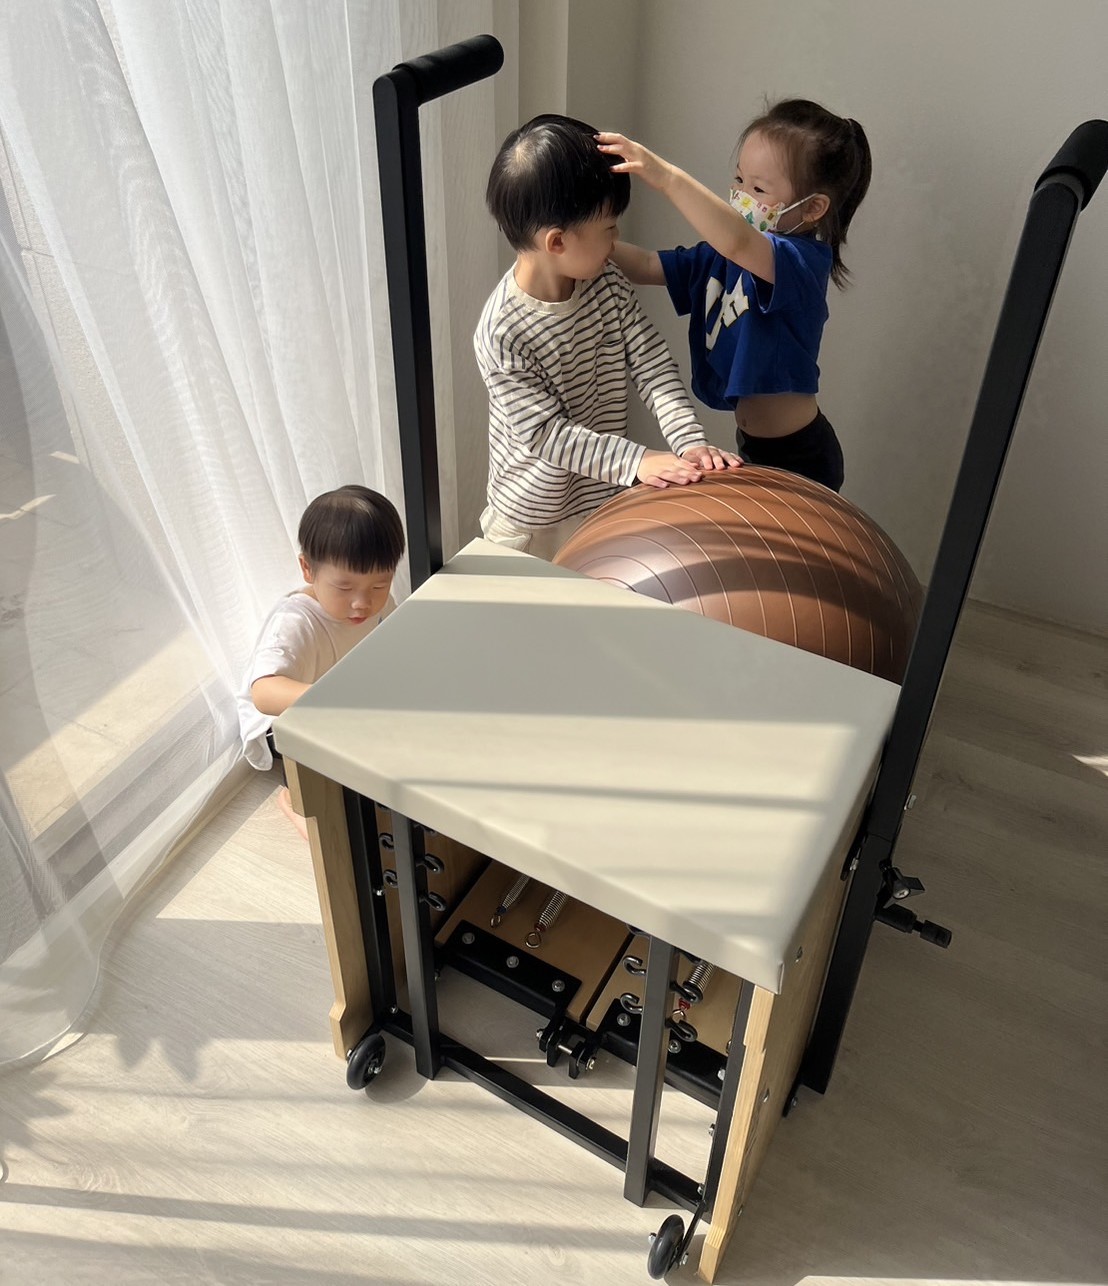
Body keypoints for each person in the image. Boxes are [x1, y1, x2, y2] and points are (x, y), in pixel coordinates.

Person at [475, 113, 743, 562]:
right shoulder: (502, 331)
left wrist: (688, 440)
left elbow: (652, 365)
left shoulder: (607, 283)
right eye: (609, 228)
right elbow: (546, 434)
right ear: (557, 242)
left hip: (598, 503)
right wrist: (639, 461)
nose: (617, 239)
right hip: (530, 524)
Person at [597, 99, 872, 492]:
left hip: (801, 456)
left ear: (813, 208)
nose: (741, 195)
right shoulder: (719, 258)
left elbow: (738, 241)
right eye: (739, 180)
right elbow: (646, 265)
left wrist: (667, 177)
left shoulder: (800, 263)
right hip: (754, 445)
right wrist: (587, 240)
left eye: (758, 189)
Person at [237, 484, 405, 838]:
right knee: (332, 812)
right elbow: (263, 693)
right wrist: (338, 701)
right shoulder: (294, 623)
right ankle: (292, 799)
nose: (362, 602)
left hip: (335, 693)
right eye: (344, 588)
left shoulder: (374, 603)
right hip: (281, 722)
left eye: (380, 585)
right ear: (307, 569)